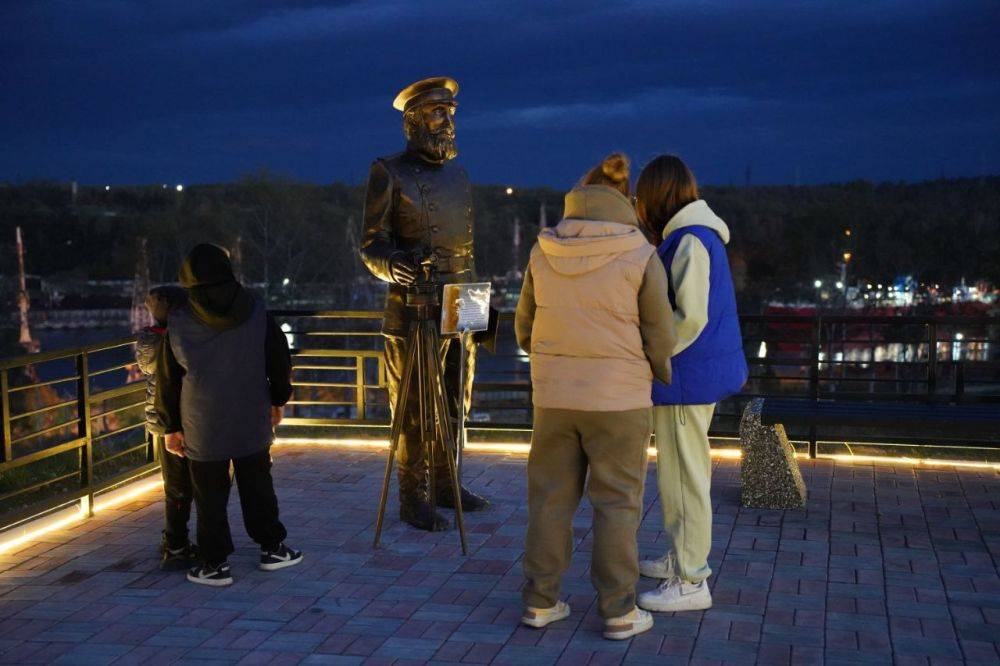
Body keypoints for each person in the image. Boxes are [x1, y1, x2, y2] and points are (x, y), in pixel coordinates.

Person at [515, 154, 676, 640]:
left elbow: (525, 328)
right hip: (619, 401)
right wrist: (655, 371)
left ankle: (541, 601)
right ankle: (618, 611)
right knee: (618, 504)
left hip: (555, 398)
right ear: (624, 203)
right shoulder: (641, 253)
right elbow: (660, 333)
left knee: (549, 501)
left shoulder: (543, 251)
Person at [359, 76, 488, 532]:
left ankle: (447, 480)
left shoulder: (459, 173)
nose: (448, 121)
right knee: (413, 405)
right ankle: (413, 495)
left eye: (451, 113)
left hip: (464, 297)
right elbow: (371, 244)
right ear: (414, 121)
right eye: (438, 113)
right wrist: (393, 264)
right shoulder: (388, 172)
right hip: (415, 304)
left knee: (458, 396)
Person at [634, 155, 748, 612]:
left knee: (685, 479)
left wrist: (652, 354)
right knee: (680, 476)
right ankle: (682, 558)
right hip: (691, 378)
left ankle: (692, 579)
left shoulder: (690, 242)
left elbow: (689, 317)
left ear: (657, 196)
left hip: (685, 378)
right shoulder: (695, 237)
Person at [155, 243, 302, 587]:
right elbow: (279, 360)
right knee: (258, 486)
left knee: (210, 497)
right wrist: (278, 400)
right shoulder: (256, 311)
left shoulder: (178, 320)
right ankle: (272, 548)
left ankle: (214, 563)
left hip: (201, 422)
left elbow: (168, 380)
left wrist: (171, 427)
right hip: (250, 414)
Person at [135, 285, 197, 571]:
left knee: (175, 488)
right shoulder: (180, 340)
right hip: (188, 419)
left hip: (161, 422)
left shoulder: (148, 340)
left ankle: (175, 542)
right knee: (199, 484)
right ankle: (179, 546)